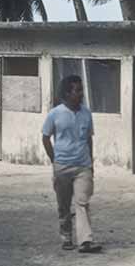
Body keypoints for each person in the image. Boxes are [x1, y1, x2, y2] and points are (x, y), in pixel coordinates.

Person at [42, 75, 101, 254]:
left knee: (82, 202)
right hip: (62, 166)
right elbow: (45, 138)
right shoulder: (54, 114)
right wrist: (55, 161)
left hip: (83, 166)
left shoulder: (86, 113)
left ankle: (85, 241)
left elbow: (89, 139)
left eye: (81, 90)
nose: (81, 94)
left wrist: (90, 162)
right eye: (78, 90)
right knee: (64, 205)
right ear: (67, 93)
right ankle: (66, 237)